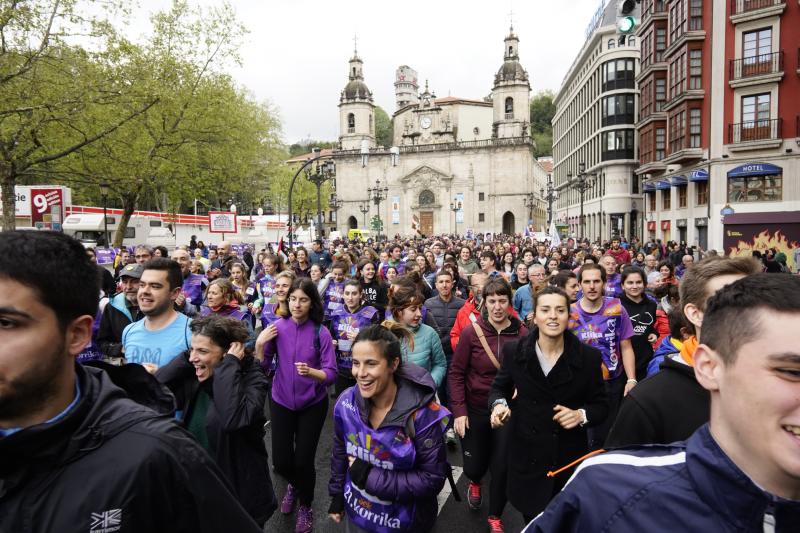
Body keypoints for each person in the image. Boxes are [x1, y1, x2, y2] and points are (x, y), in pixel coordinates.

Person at [0, 231, 262, 533]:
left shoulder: (160, 453)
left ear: (77, 335)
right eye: (140, 284)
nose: (142, 292)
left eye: (8, 323)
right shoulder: (130, 331)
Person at [524, 274, 800, 532]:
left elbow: (623, 351)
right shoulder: (606, 491)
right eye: (791, 372)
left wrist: (596, 403)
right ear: (709, 367)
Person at [605, 256, 761, 447]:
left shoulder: (780, 382)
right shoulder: (648, 400)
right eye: (731, 300)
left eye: (753, 300)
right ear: (694, 314)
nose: (746, 311)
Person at [489, 286, 608, 523]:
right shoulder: (515, 352)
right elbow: (499, 388)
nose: (553, 316)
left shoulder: (589, 358)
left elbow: (602, 405)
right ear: (535, 315)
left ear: (569, 315)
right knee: (533, 520)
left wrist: (581, 415)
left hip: (566, 458)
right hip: (527, 454)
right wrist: (499, 405)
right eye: (546, 309)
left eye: (560, 310)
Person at [328, 323, 452, 533]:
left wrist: (370, 477)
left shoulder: (422, 414)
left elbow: (432, 479)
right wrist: (337, 494)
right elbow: (340, 451)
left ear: (393, 364)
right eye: (356, 363)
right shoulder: (346, 402)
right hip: (358, 516)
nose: (360, 373)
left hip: (405, 524)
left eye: (371, 363)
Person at [156, 315, 277, 526]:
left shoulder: (253, 379)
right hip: (199, 493)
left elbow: (233, 419)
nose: (193, 358)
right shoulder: (195, 375)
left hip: (239, 500)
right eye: (191, 349)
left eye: (202, 351)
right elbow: (155, 386)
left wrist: (228, 365)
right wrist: (193, 355)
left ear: (229, 352)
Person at [257, 277, 336, 533]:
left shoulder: (320, 332)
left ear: (312, 303)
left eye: (303, 300)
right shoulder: (277, 327)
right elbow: (264, 366)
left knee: (303, 461)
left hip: (312, 403)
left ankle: (306, 505)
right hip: (280, 400)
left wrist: (311, 373)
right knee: (281, 462)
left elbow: (331, 373)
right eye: (293, 299)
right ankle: (295, 484)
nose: (297, 304)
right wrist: (260, 345)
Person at [449, 278, 527, 532]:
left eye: (502, 301)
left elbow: (531, 372)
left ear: (509, 303)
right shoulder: (472, 332)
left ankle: (495, 516)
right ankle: (475, 481)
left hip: (506, 411)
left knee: (502, 465)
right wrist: (459, 411)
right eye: (492, 301)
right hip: (476, 407)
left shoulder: (523, 333)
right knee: (474, 465)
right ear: (484, 303)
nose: (497, 307)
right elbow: (457, 373)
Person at [568, 263, 636, 449]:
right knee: (580, 436)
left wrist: (631, 379)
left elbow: (626, 346)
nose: (592, 286)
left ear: (604, 283)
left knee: (606, 435)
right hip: (578, 383)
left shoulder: (617, 309)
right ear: (579, 284)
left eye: (596, 281)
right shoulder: (570, 313)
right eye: (587, 282)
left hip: (611, 382)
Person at [122, 258, 192, 373]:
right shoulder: (129, 331)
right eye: (142, 285)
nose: (145, 291)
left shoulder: (191, 332)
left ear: (174, 293)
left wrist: (160, 376)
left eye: (155, 286)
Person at [425, 269, 466, 445]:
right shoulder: (428, 304)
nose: (444, 285)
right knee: (438, 391)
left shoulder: (462, 304)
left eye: (447, 282)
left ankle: (450, 426)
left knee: (452, 390)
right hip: (435, 356)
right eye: (440, 282)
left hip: (454, 355)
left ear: (453, 283)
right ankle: (442, 422)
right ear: (436, 285)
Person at [388, 280, 447, 388]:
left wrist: (430, 384)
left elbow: (440, 364)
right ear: (399, 311)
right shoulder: (386, 334)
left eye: (419, 308)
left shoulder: (430, 333)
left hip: (424, 396)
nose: (419, 314)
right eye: (413, 309)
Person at [328, 279, 380, 395]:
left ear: (360, 295)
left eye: (354, 293)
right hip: (341, 368)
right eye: (347, 293)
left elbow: (379, 342)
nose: (350, 298)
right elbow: (331, 336)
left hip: (364, 369)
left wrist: (361, 337)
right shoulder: (337, 313)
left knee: (363, 405)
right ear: (343, 294)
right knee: (343, 404)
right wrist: (331, 343)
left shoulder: (371, 313)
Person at [97, 263, 144, 362]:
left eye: (134, 281)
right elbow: (102, 342)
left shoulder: (155, 305)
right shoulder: (112, 306)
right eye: (125, 282)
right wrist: (121, 349)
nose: (128, 287)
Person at [618, 267, 658, 381]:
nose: (634, 286)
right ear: (622, 285)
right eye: (630, 283)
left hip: (645, 360)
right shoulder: (615, 305)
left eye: (638, 282)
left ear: (644, 284)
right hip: (621, 362)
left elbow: (651, 326)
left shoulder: (651, 305)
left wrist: (654, 334)